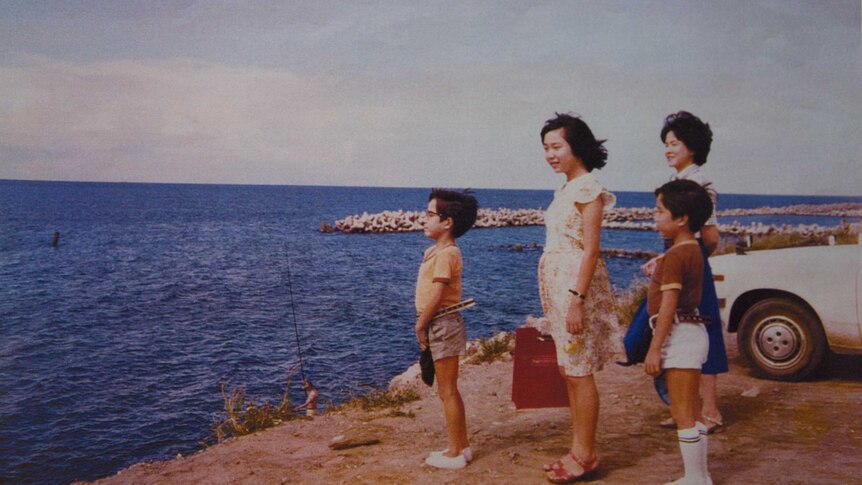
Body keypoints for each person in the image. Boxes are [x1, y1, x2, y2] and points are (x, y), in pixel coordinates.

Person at [538, 113, 622, 483]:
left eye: (556, 146)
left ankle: (585, 455)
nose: (550, 154)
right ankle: (577, 448)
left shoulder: (590, 188)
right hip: (558, 288)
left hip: (575, 287)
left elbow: (591, 250)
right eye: (546, 148)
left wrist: (577, 299)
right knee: (567, 370)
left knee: (579, 370)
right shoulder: (567, 188)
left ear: (577, 147)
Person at [644, 111, 727, 433]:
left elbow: (710, 237)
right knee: (675, 332)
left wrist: (687, 261)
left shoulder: (699, 183)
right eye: (666, 143)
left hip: (691, 268)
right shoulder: (681, 181)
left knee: (696, 332)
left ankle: (707, 409)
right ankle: (684, 406)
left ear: (691, 146)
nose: (668, 149)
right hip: (680, 263)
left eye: (674, 143)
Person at [645, 179, 715, 485]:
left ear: (681, 218)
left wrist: (654, 348)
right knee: (694, 412)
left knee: (683, 412)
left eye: (660, 211)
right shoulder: (692, 249)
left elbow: (669, 305)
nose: (655, 217)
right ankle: (700, 476)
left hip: (680, 335)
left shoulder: (675, 255)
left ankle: (695, 479)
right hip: (694, 332)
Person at [414, 188, 478, 469]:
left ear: (447, 222)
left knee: (447, 391)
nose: (423, 220)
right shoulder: (434, 251)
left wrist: (420, 324)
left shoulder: (447, 254)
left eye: (430, 215)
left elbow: (438, 295)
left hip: (442, 323)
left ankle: (455, 452)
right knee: (448, 390)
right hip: (439, 323)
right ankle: (461, 446)